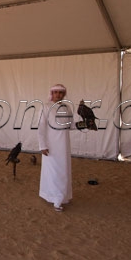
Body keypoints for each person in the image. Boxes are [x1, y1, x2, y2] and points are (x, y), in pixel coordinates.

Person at [38, 84, 73, 212]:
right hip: (51, 146)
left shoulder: (67, 108)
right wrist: (43, 145)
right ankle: (56, 200)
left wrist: (85, 124)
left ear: (64, 94)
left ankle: (63, 197)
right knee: (54, 172)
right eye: (55, 92)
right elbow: (41, 127)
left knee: (63, 171)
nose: (58, 95)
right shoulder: (46, 107)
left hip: (64, 146)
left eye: (60, 92)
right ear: (51, 94)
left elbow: (71, 125)